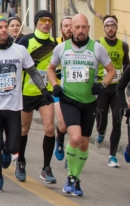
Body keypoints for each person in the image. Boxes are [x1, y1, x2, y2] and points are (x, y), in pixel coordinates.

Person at [0, 15, 51, 192]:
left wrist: (44, 90)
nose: (4, 30)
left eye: (6, 27)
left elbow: (33, 72)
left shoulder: (20, 50)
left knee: (13, 146)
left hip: (13, 106)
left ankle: (7, 152)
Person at [46, 13, 115, 197]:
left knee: (84, 144)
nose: (80, 31)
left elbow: (111, 70)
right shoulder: (62, 48)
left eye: (84, 27)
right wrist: (55, 86)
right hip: (69, 100)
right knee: (75, 138)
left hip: (89, 103)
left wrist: (102, 85)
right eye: (76, 27)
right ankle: (70, 177)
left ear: (88, 28)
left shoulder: (97, 48)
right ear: (71, 29)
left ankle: (75, 179)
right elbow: (50, 69)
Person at [15, 10, 58, 184]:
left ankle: (46, 168)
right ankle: (20, 161)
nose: (47, 23)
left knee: (49, 129)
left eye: (50, 21)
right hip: (26, 92)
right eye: (43, 20)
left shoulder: (55, 44)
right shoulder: (26, 41)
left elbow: (56, 67)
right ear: (36, 22)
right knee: (24, 130)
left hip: (44, 93)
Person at [95, 14, 129, 167]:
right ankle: (101, 133)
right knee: (102, 121)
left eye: (113, 25)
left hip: (117, 88)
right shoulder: (98, 44)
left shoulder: (123, 46)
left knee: (117, 120)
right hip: (103, 87)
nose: (110, 28)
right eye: (107, 25)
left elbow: (126, 66)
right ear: (104, 28)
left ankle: (112, 156)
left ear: (116, 27)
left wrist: (126, 82)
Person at [54, 15, 74, 160]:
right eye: (66, 26)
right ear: (61, 29)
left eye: (71, 25)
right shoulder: (54, 45)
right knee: (63, 124)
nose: (69, 28)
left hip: (75, 90)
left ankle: (71, 157)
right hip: (58, 90)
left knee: (74, 127)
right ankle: (59, 138)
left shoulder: (81, 45)